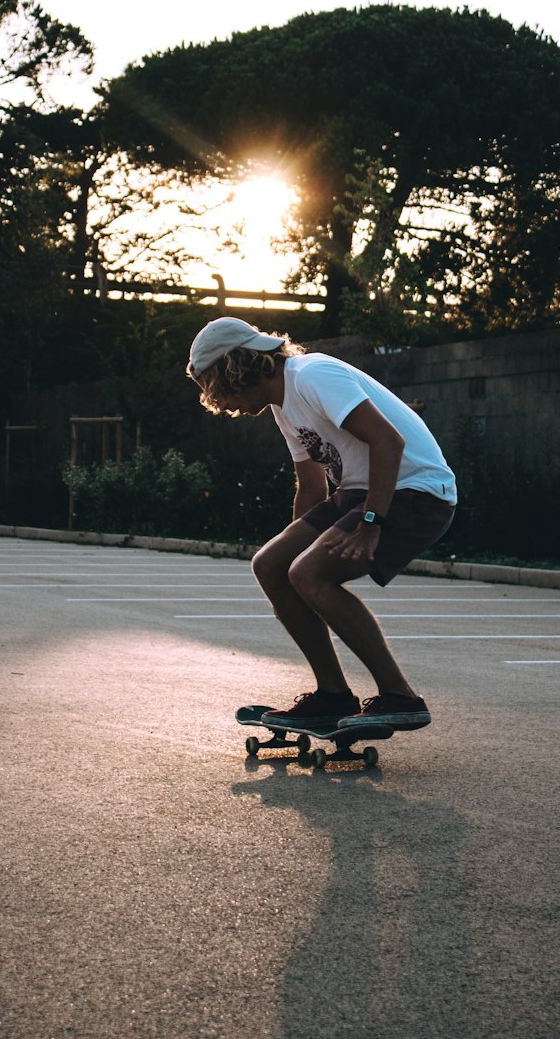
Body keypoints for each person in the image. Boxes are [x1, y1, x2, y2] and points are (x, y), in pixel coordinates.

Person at [186, 315, 458, 735]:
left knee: (308, 574)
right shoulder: (282, 406)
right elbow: (311, 489)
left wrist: (371, 523)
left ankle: (400, 698)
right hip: (356, 490)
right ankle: (332, 696)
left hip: (416, 489)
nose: (220, 405)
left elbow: (389, 441)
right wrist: (292, 552)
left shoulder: (313, 375)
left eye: (215, 390)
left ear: (234, 368)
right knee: (271, 565)